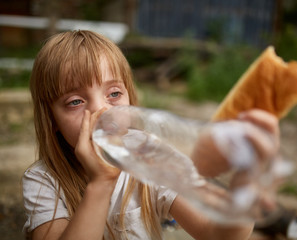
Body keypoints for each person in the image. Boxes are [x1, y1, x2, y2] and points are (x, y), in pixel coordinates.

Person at [22, 30, 280, 240]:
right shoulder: (42, 181)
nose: (101, 111)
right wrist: (100, 183)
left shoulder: (148, 155)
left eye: (114, 94)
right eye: (76, 101)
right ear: (51, 119)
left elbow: (217, 234)